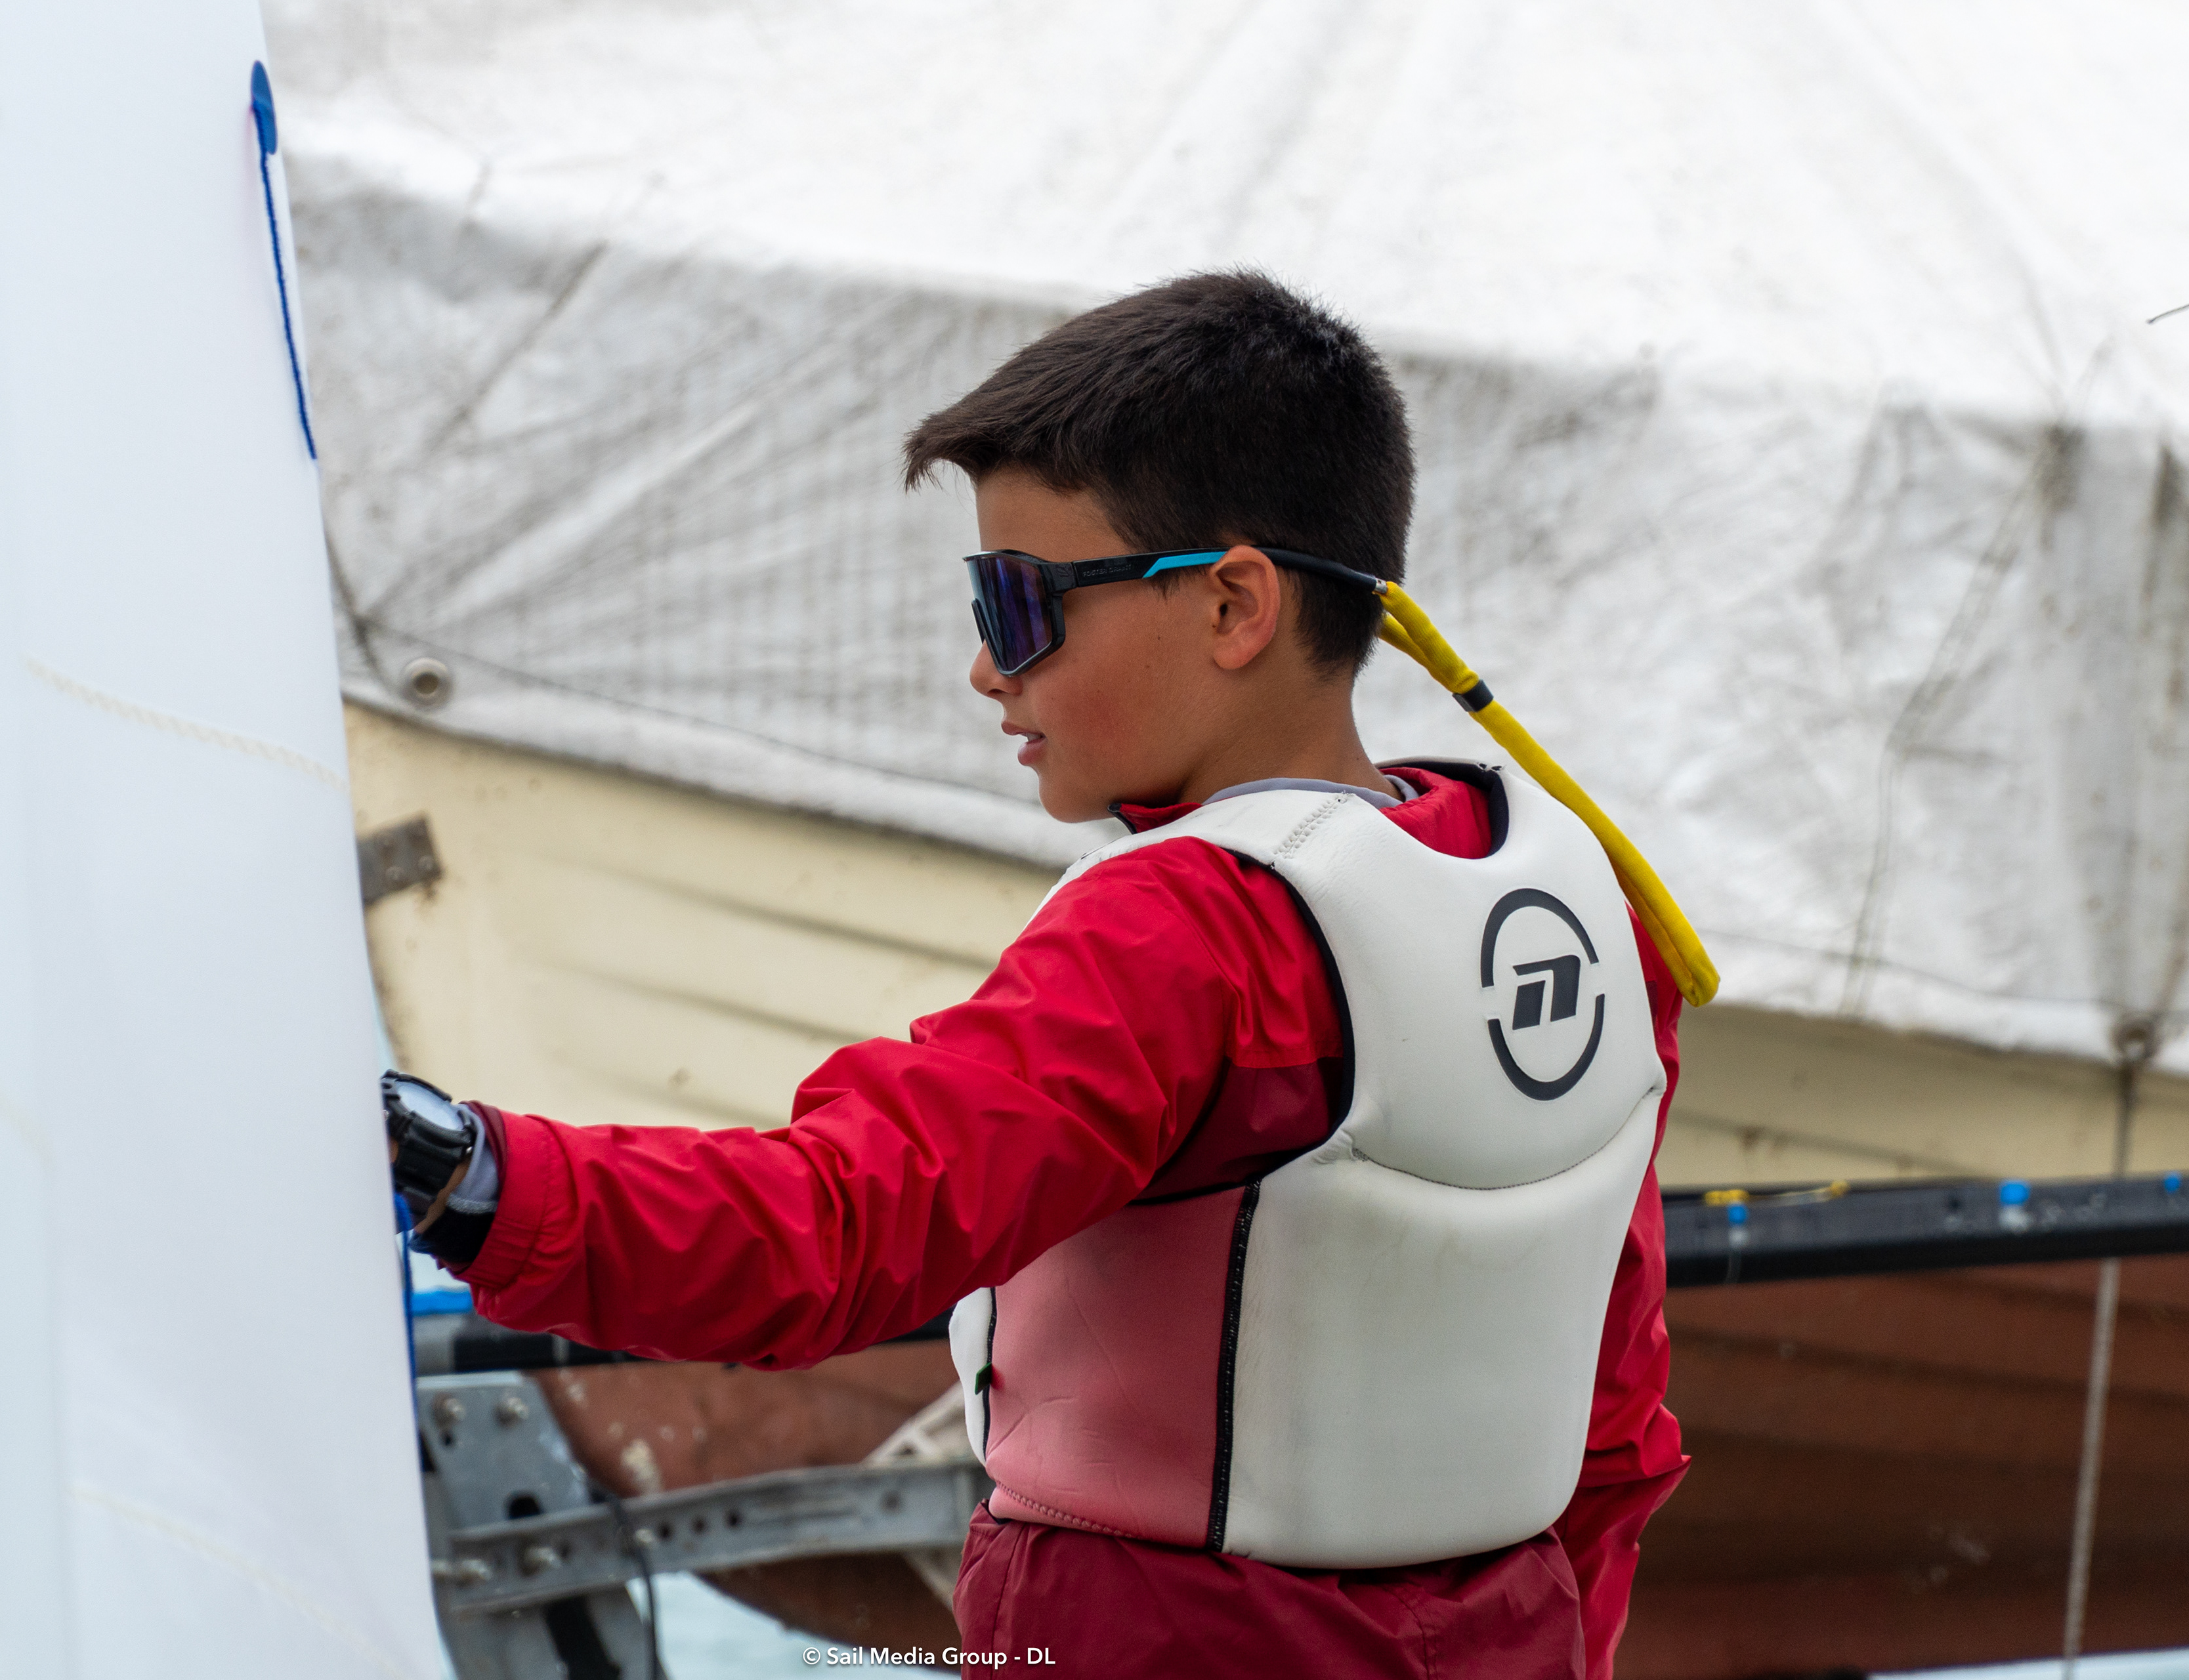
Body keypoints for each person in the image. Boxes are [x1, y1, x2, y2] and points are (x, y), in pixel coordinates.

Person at [383, 272, 1688, 1678]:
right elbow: (1615, 1420)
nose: (985, 669)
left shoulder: (1190, 931)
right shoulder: (1585, 901)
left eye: (1016, 603)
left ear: (1234, 605)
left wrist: (470, 1177)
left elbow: (838, 1227)